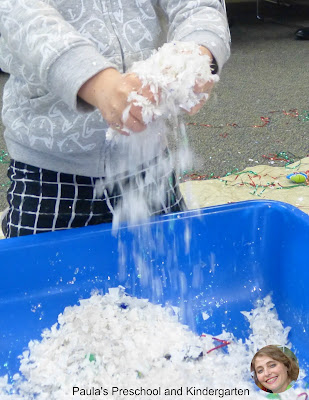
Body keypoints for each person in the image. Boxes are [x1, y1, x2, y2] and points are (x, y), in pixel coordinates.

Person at [0, 0, 230, 238]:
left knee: (170, 265)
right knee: (41, 269)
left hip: (147, 158)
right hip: (50, 169)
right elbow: (20, 14)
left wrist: (196, 55)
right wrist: (97, 82)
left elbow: (198, 5)